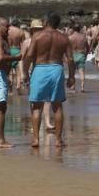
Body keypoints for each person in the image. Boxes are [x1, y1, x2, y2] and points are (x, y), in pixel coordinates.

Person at [25, 12, 73, 148]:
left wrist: (24, 73)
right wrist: (71, 77)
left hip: (40, 69)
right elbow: (70, 59)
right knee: (57, 106)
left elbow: (29, 55)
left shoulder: (37, 36)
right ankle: (58, 140)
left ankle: (35, 139)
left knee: (37, 105)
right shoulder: (64, 38)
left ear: (46, 22)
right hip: (56, 69)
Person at [0, 17, 19, 148]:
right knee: (0, 108)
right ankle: (1, 140)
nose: (9, 29)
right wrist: (16, 57)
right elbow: (0, 57)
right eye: (6, 26)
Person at [6, 19, 26, 91]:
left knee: (9, 70)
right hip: (17, 51)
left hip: (8, 50)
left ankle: (10, 88)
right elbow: (23, 43)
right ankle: (18, 86)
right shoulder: (20, 31)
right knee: (18, 72)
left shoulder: (7, 30)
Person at [68, 23, 88, 93]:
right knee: (81, 72)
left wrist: (66, 56)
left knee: (72, 73)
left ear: (73, 29)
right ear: (79, 29)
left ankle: (73, 88)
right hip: (81, 54)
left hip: (72, 55)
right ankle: (82, 87)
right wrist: (86, 55)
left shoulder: (70, 37)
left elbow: (67, 49)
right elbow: (87, 48)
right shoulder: (83, 37)